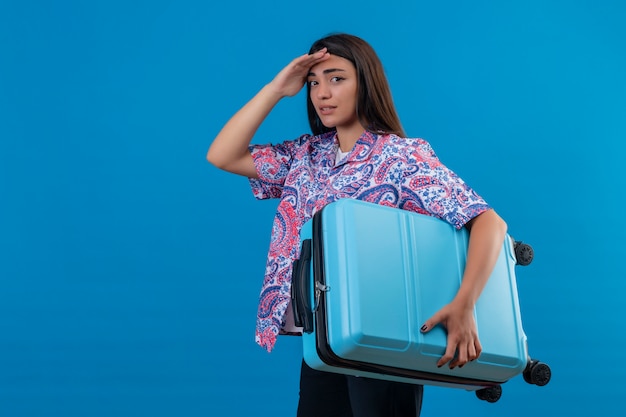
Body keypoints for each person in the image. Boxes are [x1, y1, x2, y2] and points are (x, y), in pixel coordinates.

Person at [206, 33, 508, 417]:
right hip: (326, 340)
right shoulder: (307, 155)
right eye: (314, 83)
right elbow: (222, 154)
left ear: (365, 82)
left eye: (336, 78)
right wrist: (276, 89)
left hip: (385, 335)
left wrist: (464, 306)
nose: (321, 93)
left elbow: (487, 220)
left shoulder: (401, 156)